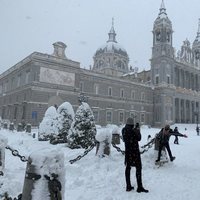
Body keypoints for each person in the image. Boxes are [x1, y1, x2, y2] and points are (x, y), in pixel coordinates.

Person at [122, 118, 149, 193]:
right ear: (132, 124)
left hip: (128, 152)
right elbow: (139, 138)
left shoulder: (124, 130)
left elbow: (125, 139)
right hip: (135, 152)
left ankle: (128, 186)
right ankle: (139, 187)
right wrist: (137, 129)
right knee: (138, 168)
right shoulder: (134, 130)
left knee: (128, 168)